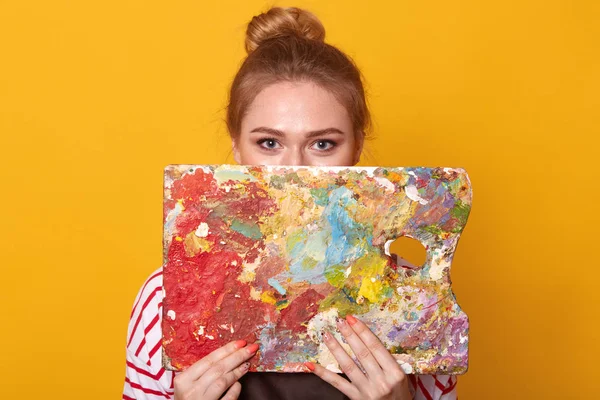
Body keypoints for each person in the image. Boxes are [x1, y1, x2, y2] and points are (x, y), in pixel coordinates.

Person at [123, 6, 458, 400]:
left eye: (323, 144)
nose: (295, 169)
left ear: (356, 148)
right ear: (236, 146)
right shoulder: (165, 298)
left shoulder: (416, 296)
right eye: (269, 143)